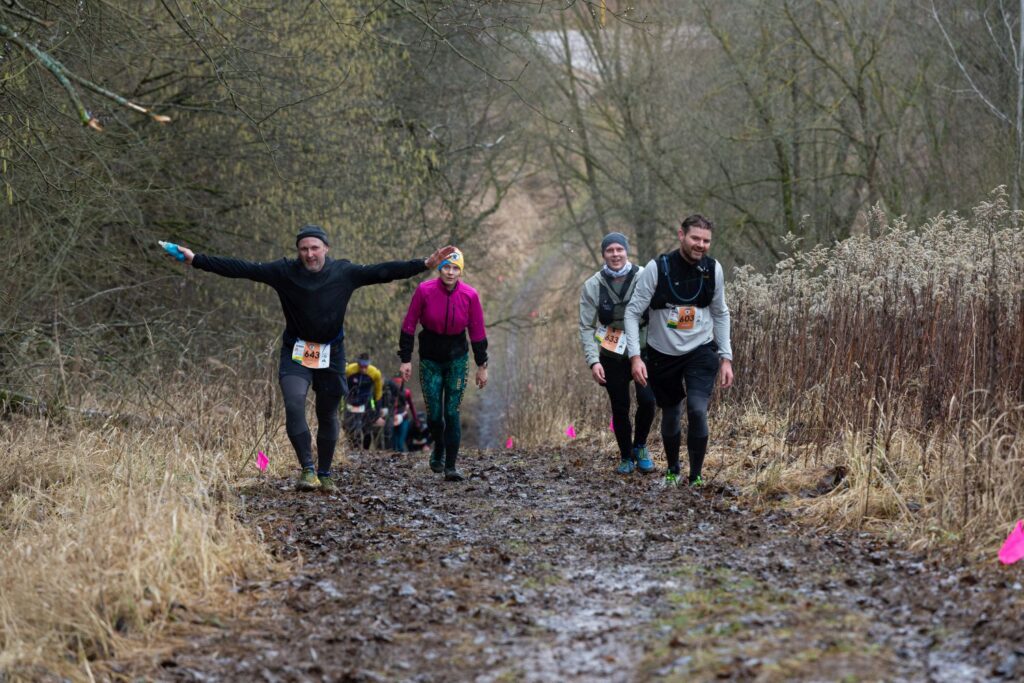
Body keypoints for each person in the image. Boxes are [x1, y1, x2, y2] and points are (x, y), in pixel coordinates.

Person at [166, 225, 454, 492]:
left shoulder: (344, 273)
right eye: (304, 249)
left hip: (332, 353)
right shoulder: (284, 271)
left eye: (315, 248)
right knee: (294, 404)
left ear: (326, 248)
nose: (309, 254)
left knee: (327, 413)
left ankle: (325, 473)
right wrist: (196, 259)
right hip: (296, 351)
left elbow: (383, 271)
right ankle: (307, 470)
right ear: (298, 251)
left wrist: (423, 264)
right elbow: (243, 268)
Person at [624, 214, 734, 487]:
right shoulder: (657, 268)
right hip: (663, 354)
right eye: (695, 238)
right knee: (671, 414)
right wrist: (635, 357)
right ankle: (673, 469)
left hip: (700, 349)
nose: (700, 245)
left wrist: (726, 357)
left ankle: (696, 476)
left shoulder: (713, 269)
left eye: (706, 241)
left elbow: (721, 313)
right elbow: (633, 312)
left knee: (697, 409)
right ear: (681, 235)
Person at [398, 248, 488, 481]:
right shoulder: (424, 290)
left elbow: (477, 331)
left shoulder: (470, 295)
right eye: (446, 267)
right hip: (430, 359)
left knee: (452, 411)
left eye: (455, 268)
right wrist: (405, 359)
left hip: (457, 359)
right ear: (439, 268)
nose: (450, 272)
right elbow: (409, 324)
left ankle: (451, 466)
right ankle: (439, 446)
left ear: (461, 271)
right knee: (435, 415)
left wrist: (482, 365)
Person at [578, 232, 657, 474]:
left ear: (626, 251)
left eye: (619, 249)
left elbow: (660, 311)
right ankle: (625, 456)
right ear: (603, 254)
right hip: (611, 355)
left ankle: (640, 446)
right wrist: (593, 361)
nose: (615, 254)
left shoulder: (643, 276)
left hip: (643, 350)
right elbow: (586, 326)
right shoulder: (593, 286)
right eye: (610, 250)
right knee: (620, 407)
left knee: (648, 400)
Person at [344, 353, 385, 450]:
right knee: (352, 428)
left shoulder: (375, 373)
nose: (363, 369)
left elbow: (378, 393)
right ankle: (355, 449)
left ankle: (366, 450)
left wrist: (377, 413)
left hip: (366, 402)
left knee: (367, 429)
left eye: (365, 366)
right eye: (361, 366)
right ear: (358, 364)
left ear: (368, 364)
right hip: (351, 402)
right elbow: (342, 385)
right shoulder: (349, 370)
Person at [388, 371, 420, 452]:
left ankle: (402, 458)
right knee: (394, 444)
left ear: (402, 383)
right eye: (395, 382)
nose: (397, 384)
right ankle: (395, 459)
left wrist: (416, 420)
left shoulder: (406, 392)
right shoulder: (389, 393)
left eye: (399, 382)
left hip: (404, 419)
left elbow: (412, 407)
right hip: (392, 419)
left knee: (400, 443)